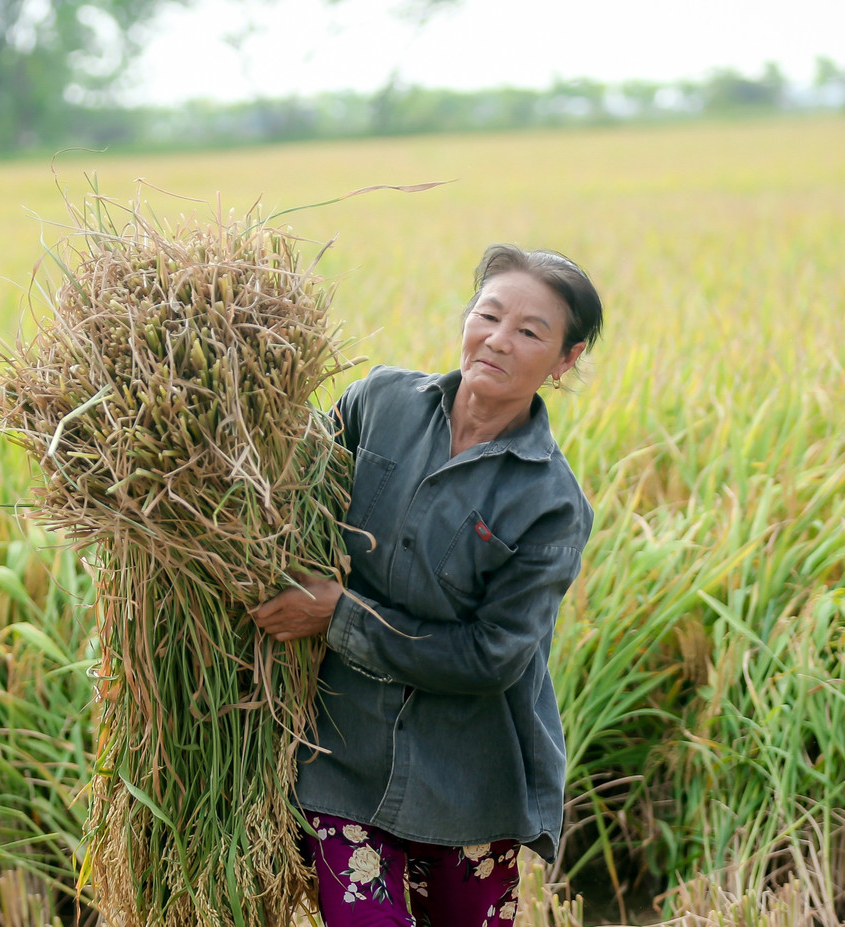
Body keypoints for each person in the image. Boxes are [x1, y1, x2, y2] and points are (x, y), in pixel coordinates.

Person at [253, 243, 602, 927]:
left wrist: (339, 618)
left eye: (530, 331)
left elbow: (490, 656)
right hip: (342, 756)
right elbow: (286, 493)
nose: (498, 340)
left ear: (566, 359)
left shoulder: (551, 504)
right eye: (489, 314)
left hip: (472, 779)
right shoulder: (378, 403)